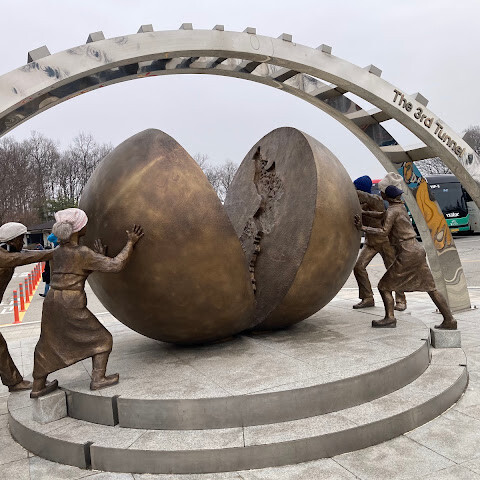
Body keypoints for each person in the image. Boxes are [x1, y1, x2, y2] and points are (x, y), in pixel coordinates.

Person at [31, 208, 144, 398]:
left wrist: (98, 258)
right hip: (70, 303)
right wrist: (130, 243)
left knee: (47, 342)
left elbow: (72, 271)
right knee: (102, 339)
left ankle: (38, 386)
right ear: (77, 230)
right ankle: (98, 379)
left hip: (52, 301)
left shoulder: (57, 252)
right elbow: (116, 265)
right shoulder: (82, 253)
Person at [354, 185, 456, 329]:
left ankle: (390, 318)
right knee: (431, 288)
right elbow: (382, 215)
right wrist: (364, 212)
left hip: (407, 252)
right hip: (417, 250)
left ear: (385, 196)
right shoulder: (399, 207)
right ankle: (450, 320)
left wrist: (362, 228)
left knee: (383, 286)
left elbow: (384, 231)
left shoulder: (392, 211)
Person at [0, 222, 53, 391]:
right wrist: (59, 251)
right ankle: (14, 382)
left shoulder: (7, 251)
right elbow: (26, 258)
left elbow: (26, 253)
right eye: (20, 239)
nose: (22, 242)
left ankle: (13, 382)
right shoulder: (4, 257)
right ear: (11, 240)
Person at [352, 175, 407, 311]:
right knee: (358, 267)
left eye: (356, 188)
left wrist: (347, 187)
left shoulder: (376, 200)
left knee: (392, 270)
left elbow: (361, 195)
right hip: (370, 242)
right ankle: (367, 298)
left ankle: (401, 300)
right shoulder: (359, 204)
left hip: (384, 242)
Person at [39, 233, 58, 298]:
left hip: (50, 271)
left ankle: (47, 293)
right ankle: (47, 293)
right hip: (50, 270)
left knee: (49, 282)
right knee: (49, 282)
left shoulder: (52, 253)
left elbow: (50, 238)